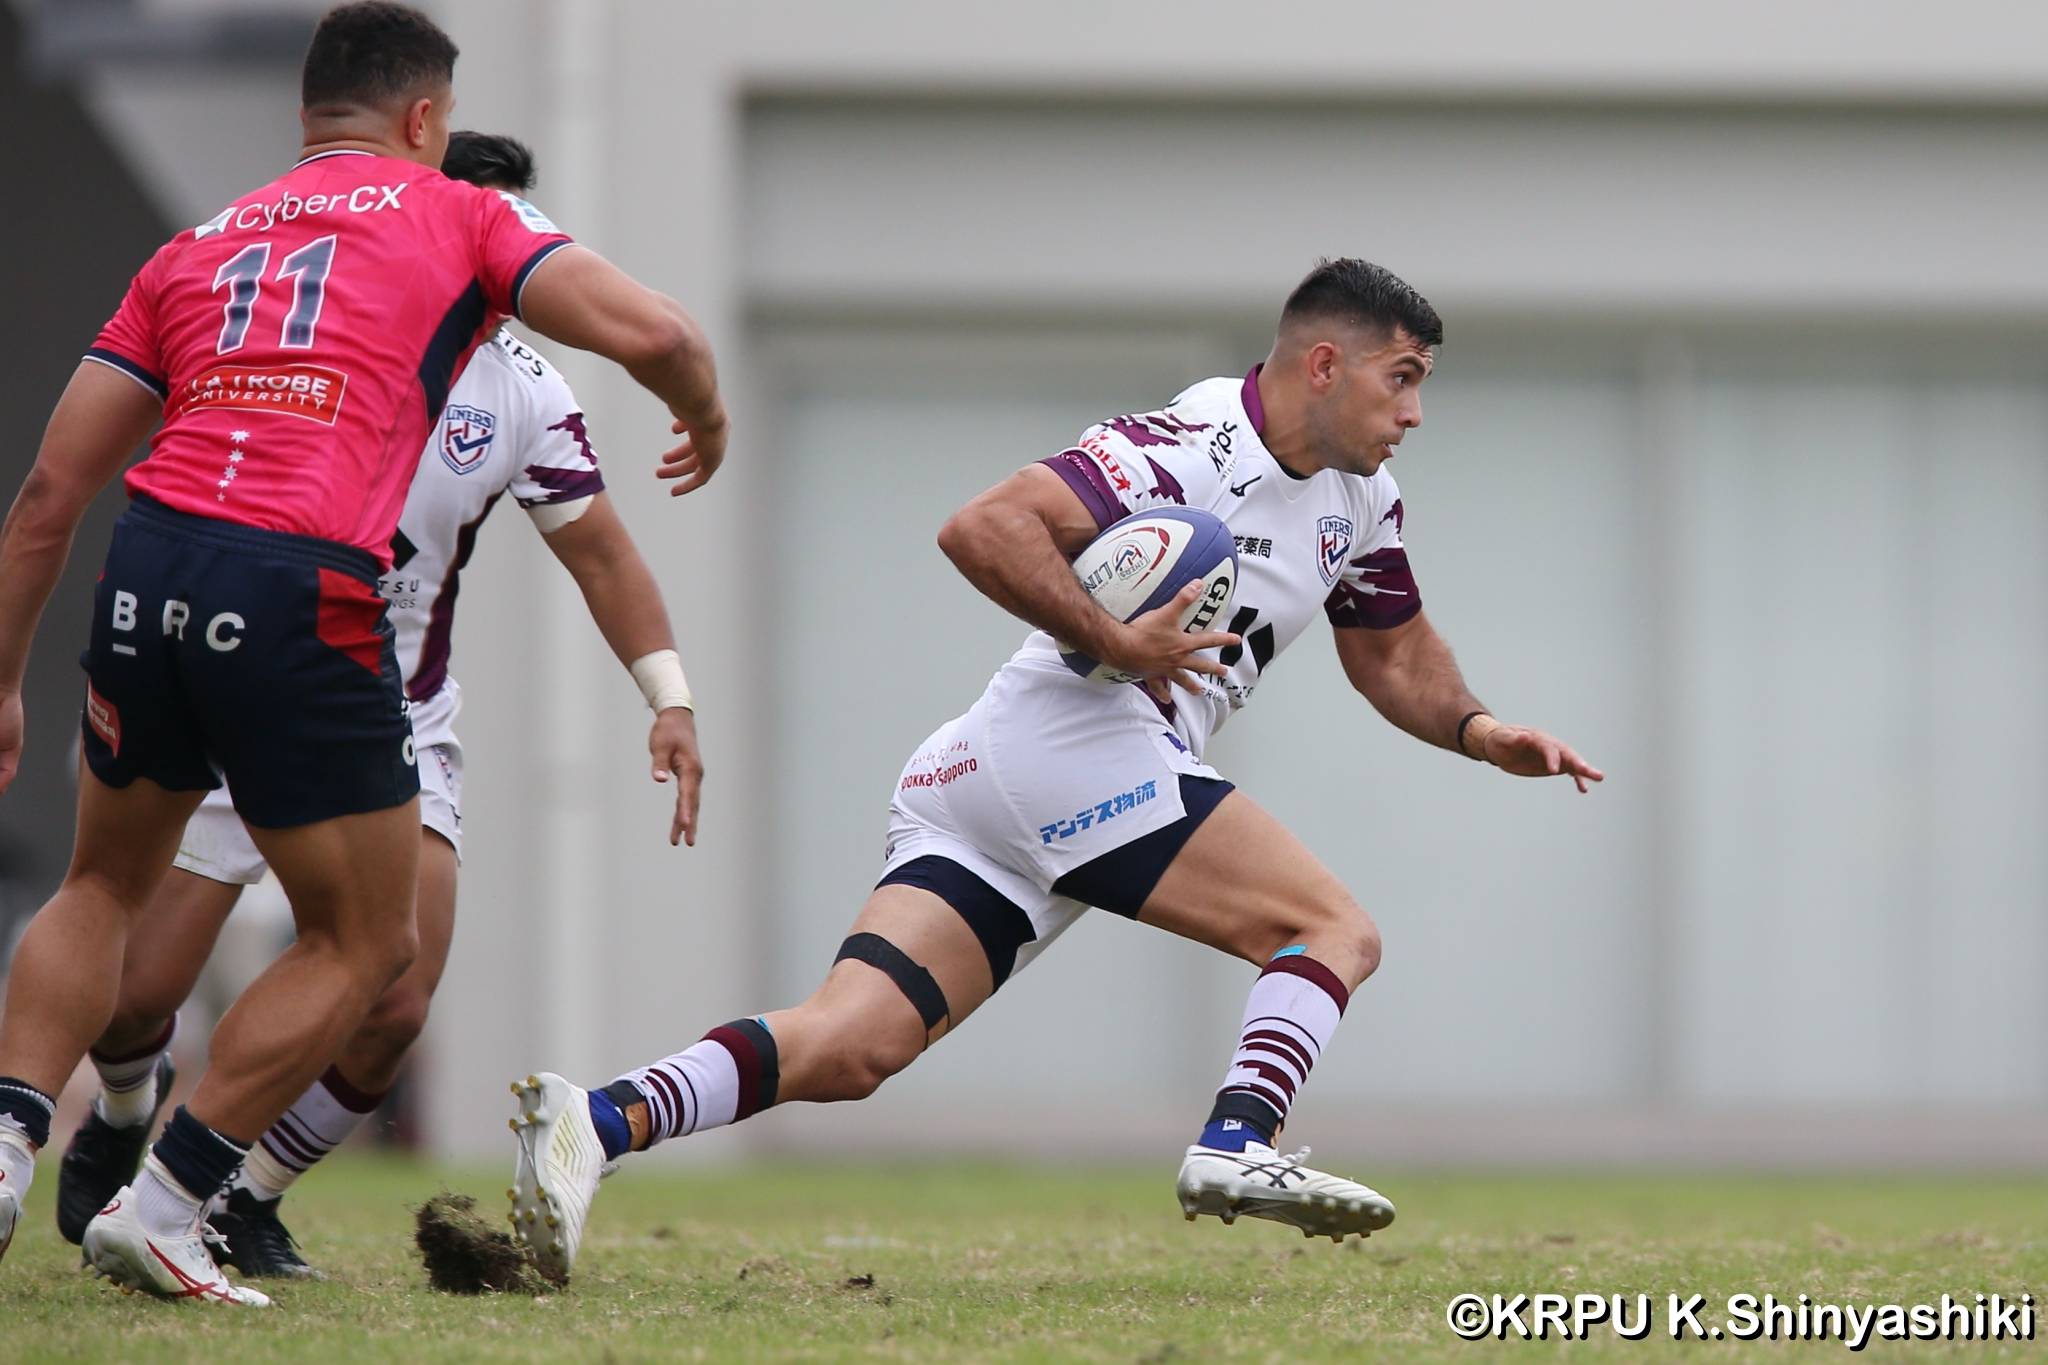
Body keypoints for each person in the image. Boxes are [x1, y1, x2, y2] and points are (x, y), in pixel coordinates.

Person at [500, 258, 1600, 1281]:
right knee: (1331, 931)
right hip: (1075, 741)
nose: (1413, 412)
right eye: (1401, 378)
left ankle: (593, 1123)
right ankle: (1238, 1140)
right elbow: (983, 526)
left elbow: (1393, 656)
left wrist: (1478, 729)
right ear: (1324, 364)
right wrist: (1120, 641)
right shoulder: (1186, 446)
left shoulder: (1360, 500)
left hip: (994, 773)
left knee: (850, 1044)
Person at [0, 3, 727, 1304]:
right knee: (321, 949)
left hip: (180, 584)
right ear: (425, 124)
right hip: (299, 610)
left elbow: (51, 493)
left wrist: (5, 679)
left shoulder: (211, 244)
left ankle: (102, 1165)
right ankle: (154, 1183)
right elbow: (661, 336)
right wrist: (704, 412)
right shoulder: (452, 224)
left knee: (138, 900)